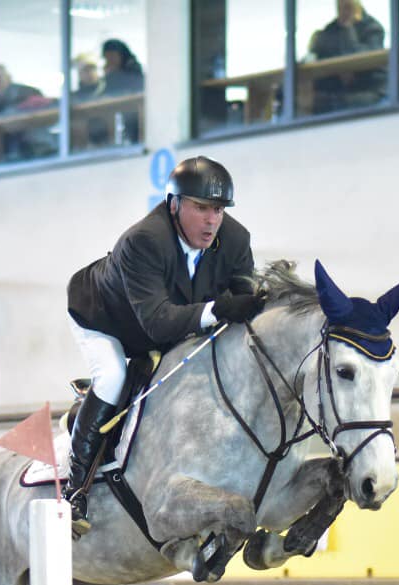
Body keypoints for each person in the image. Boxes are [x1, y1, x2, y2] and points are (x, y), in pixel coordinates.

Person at [63, 157, 260, 527]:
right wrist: (219, 308)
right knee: (113, 377)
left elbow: (245, 304)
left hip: (164, 322)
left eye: (218, 210)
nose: (211, 220)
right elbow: (157, 323)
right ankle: (75, 491)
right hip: (104, 318)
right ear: (174, 204)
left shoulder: (236, 240)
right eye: (200, 208)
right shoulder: (144, 241)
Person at [307, 0, 386, 113]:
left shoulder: (373, 28)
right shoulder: (330, 30)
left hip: (368, 88)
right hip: (338, 89)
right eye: (339, 7)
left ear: (357, 7)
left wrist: (348, 29)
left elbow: (364, 57)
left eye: (347, 7)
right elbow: (321, 58)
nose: (343, 12)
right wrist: (339, 71)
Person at [99, 39, 144, 144]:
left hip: (135, 126)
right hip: (119, 127)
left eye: (112, 57)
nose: (109, 62)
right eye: (107, 58)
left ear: (122, 56)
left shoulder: (134, 74)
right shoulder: (110, 76)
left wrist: (111, 76)